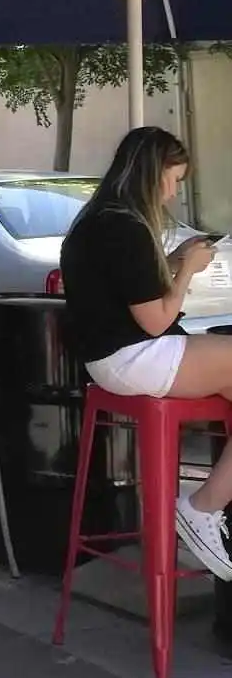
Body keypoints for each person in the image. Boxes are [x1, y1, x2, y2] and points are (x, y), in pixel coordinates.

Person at [60, 125, 232, 579]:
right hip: (134, 356)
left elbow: (128, 288)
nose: (173, 193)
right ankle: (202, 506)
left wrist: (173, 263)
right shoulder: (125, 227)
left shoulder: (100, 219)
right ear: (152, 173)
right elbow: (155, 320)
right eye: (173, 180)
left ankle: (208, 504)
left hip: (112, 358)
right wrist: (186, 272)